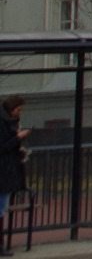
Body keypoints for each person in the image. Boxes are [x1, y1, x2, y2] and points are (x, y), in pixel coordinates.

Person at [0, 95, 30, 256]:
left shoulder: (10, 123)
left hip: (7, 172)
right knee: (0, 209)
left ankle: (2, 245)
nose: (19, 113)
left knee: (1, 209)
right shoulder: (3, 124)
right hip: (3, 172)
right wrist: (18, 138)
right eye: (18, 110)